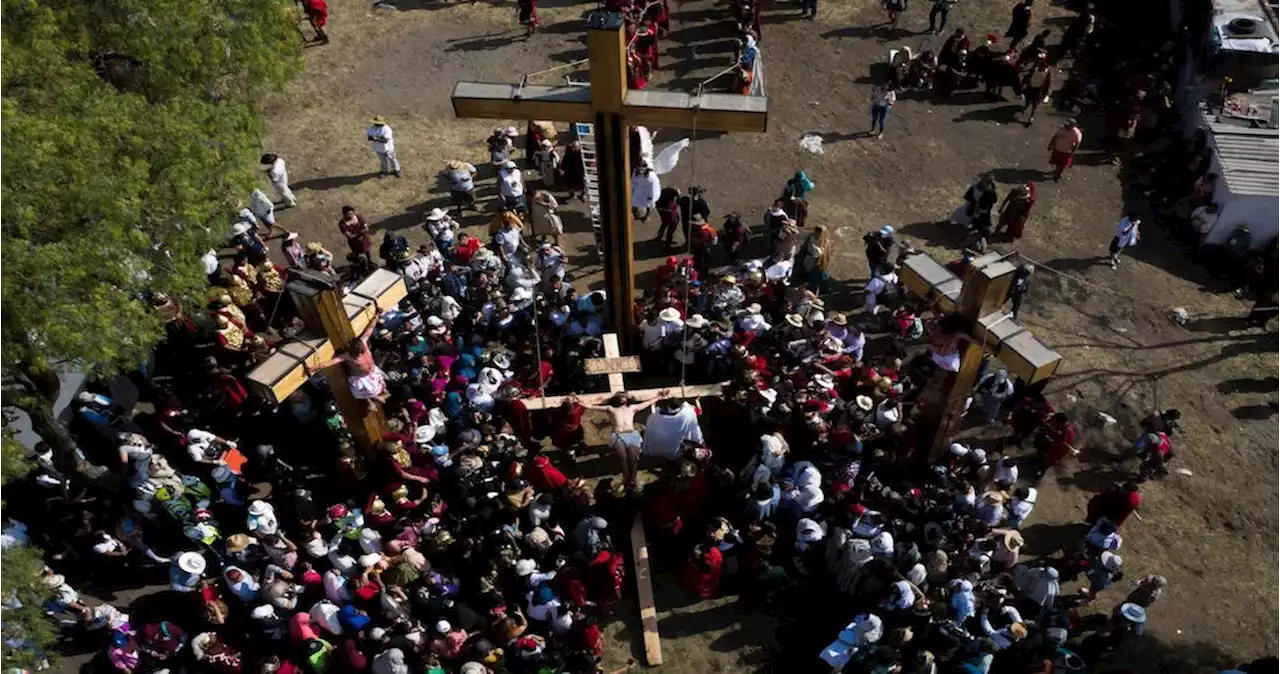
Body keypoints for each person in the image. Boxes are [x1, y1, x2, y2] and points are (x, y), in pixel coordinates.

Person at [579, 391, 669, 491]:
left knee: (633, 458)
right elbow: (592, 407)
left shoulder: (632, 408)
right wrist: (579, 402)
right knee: (623, 457)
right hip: (618, 435)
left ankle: (633, 479)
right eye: (620, 397)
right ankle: (626, 478)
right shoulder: (611, 409)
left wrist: (658, 397)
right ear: (617, 399)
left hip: (631, 434)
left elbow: (646, 403)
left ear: (627, 399)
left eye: (624, 397)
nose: (622, 398)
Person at [306, 310, 388, 409]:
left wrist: (376, 315)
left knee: (381, 385)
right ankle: (370, 400)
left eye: (361, 353)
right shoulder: (347, 355)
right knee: (361, 393)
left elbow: (370, 329)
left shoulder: (363, 341)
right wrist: (315, 367)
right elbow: (331, 362)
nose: (359, 355)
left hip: (372, 373)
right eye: (357, 355)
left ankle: (379, 396)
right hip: (360, 378)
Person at [1020, 56, 1052, 123]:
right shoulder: (1035, 70)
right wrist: (1024, 83)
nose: (1041, 68)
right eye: (1040, 67)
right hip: (1031, 87)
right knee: (1028, 99)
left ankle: (1031, 116)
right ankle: (1026, 107)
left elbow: (1047, 83)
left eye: (1042, 68)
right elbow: (1028, 77)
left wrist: (1045, 92)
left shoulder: (1047, 73)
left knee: (1035, 104)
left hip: (1038, 90)